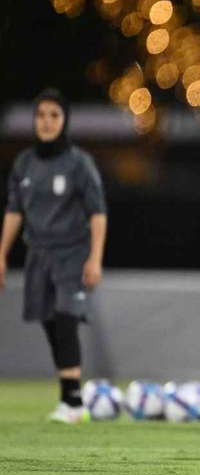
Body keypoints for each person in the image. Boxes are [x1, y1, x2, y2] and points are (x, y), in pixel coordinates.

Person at [0, 88, 108, 424]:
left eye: (54, 115)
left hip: (72, 254)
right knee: (50, 323)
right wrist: (1, 253)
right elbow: (14, 211)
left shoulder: (78, 163)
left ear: (65, 120)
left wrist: (94, 258)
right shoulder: (25, 163)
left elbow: (98, 213)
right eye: (41, 115)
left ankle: (73, 402)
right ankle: (70, 397)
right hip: (38, 255)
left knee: (66, 319)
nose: (46, 122)